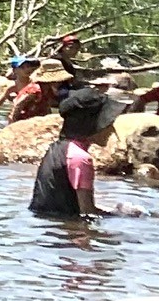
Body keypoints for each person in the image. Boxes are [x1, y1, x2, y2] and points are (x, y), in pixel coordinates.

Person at [28, 80, 139, 218]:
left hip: (47, 227)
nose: (112, 130)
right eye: (107, 122)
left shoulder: (57, 148)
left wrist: (115, 212)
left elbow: (70, 205)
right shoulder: (80, 158)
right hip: (66, 232)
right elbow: (87, 215)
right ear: (90, 125)